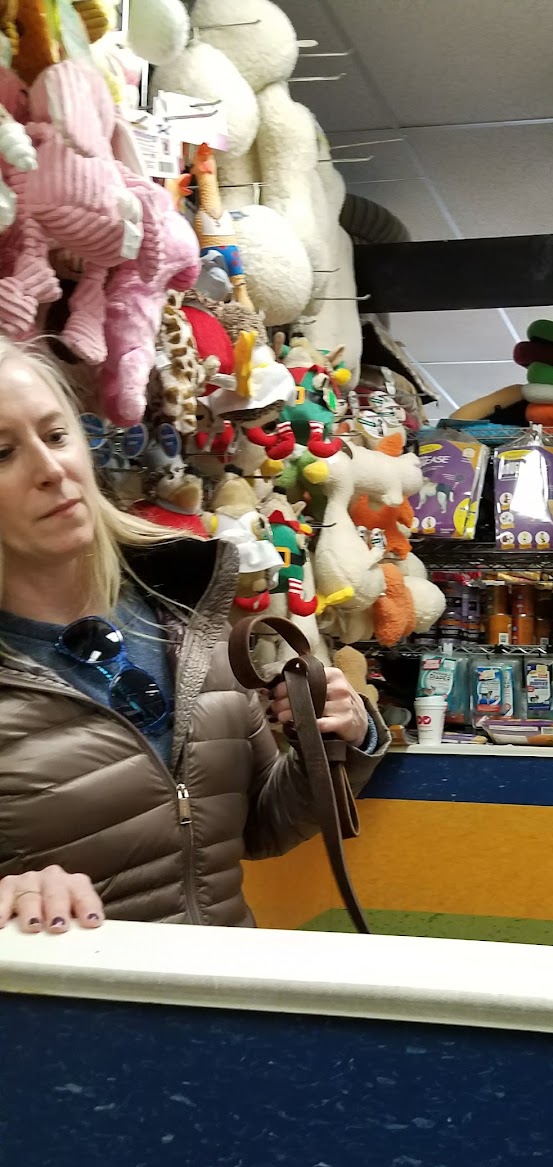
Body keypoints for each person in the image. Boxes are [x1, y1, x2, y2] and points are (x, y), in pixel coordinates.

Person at [0, 340, 388, 934]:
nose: (52, 470)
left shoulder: (182, 617)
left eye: (56, 436)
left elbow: (260, 824)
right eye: (3, 452)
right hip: (71, 995)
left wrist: (339, 737)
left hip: (221, 983)